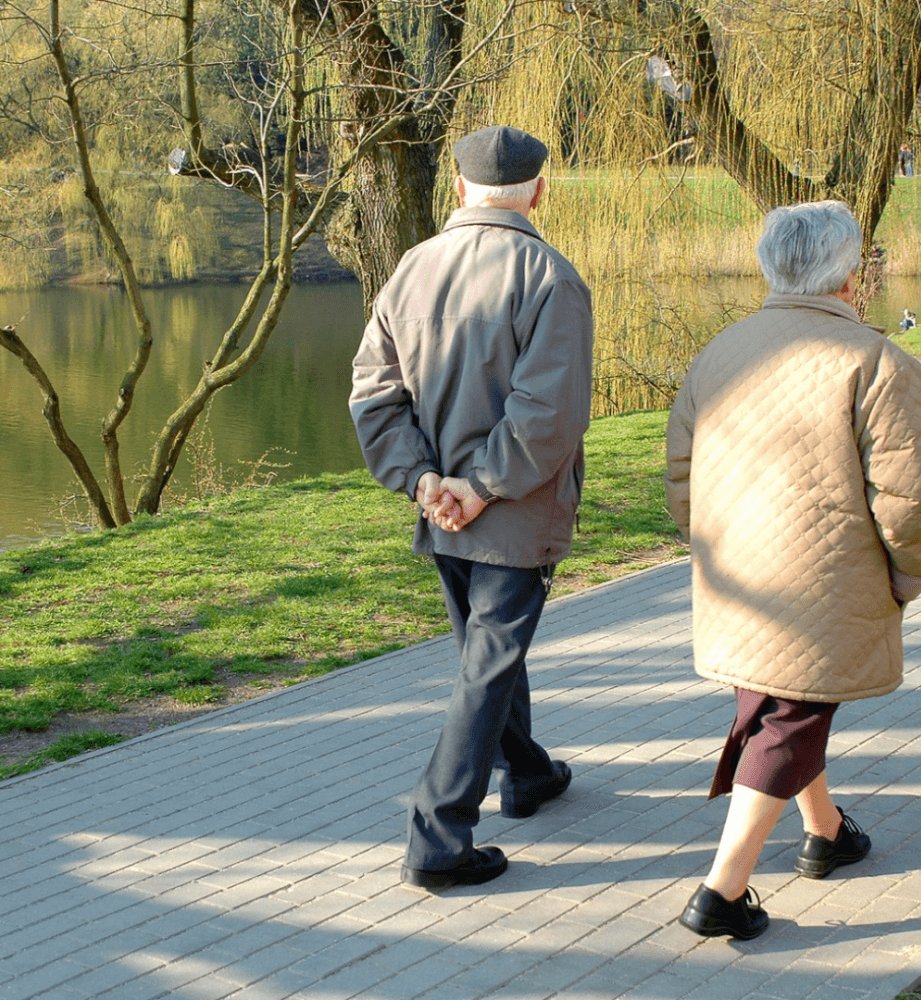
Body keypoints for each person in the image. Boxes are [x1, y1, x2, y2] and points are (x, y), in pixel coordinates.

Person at [665, 200, 921, 940]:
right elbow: (909, 495)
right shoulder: (878, 362)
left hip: (739, 577)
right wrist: (909, 576)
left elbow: (681, 472)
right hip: (829, 580)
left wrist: (711, 545)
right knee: (789, 718)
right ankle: (720, 894)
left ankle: (826, 833)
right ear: (850, 275)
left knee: (783, 704)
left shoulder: (720, 350)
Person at [350, 125, 594, 892]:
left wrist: (423, 482)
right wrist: (481, 487)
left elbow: (374, 393)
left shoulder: (411, 270)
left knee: (486, 658)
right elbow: (548, 412)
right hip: (510, 512)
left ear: (458, 188)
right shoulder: (551, 277)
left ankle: (526, 774)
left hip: (443, 510)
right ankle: (437, 837)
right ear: (538, 191)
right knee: (485, 669)